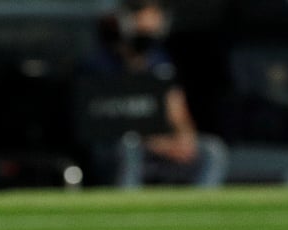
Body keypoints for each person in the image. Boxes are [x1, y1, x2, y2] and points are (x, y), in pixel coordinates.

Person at [79, 0, 228, 189]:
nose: (149, 24)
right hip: (118, 149)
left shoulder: (160, 63)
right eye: (141, 18)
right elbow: (112, 122)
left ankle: (199, 212)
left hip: (161, 148)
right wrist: (161, 144)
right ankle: (127, 209)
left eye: (153, 16)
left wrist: (185, 139)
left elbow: (176, 108)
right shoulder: (99, 65)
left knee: (212, 150)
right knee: (129, 146)